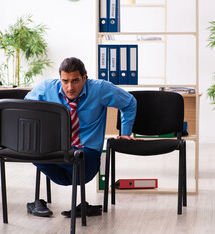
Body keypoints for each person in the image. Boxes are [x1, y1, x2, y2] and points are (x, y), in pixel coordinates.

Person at [25, 57, 137, 217]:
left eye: (75, 81)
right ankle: (38, 203)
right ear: (60, 79)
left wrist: (125, 133)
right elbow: (24, 107)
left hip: (86, 155)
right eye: (65, 81)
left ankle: (81, 206)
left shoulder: (100, 89)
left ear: (85, 77)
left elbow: (129, 102)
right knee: (33, 150)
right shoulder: (46, 88)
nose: (70, 87)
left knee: (79, 159)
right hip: (56, 154)